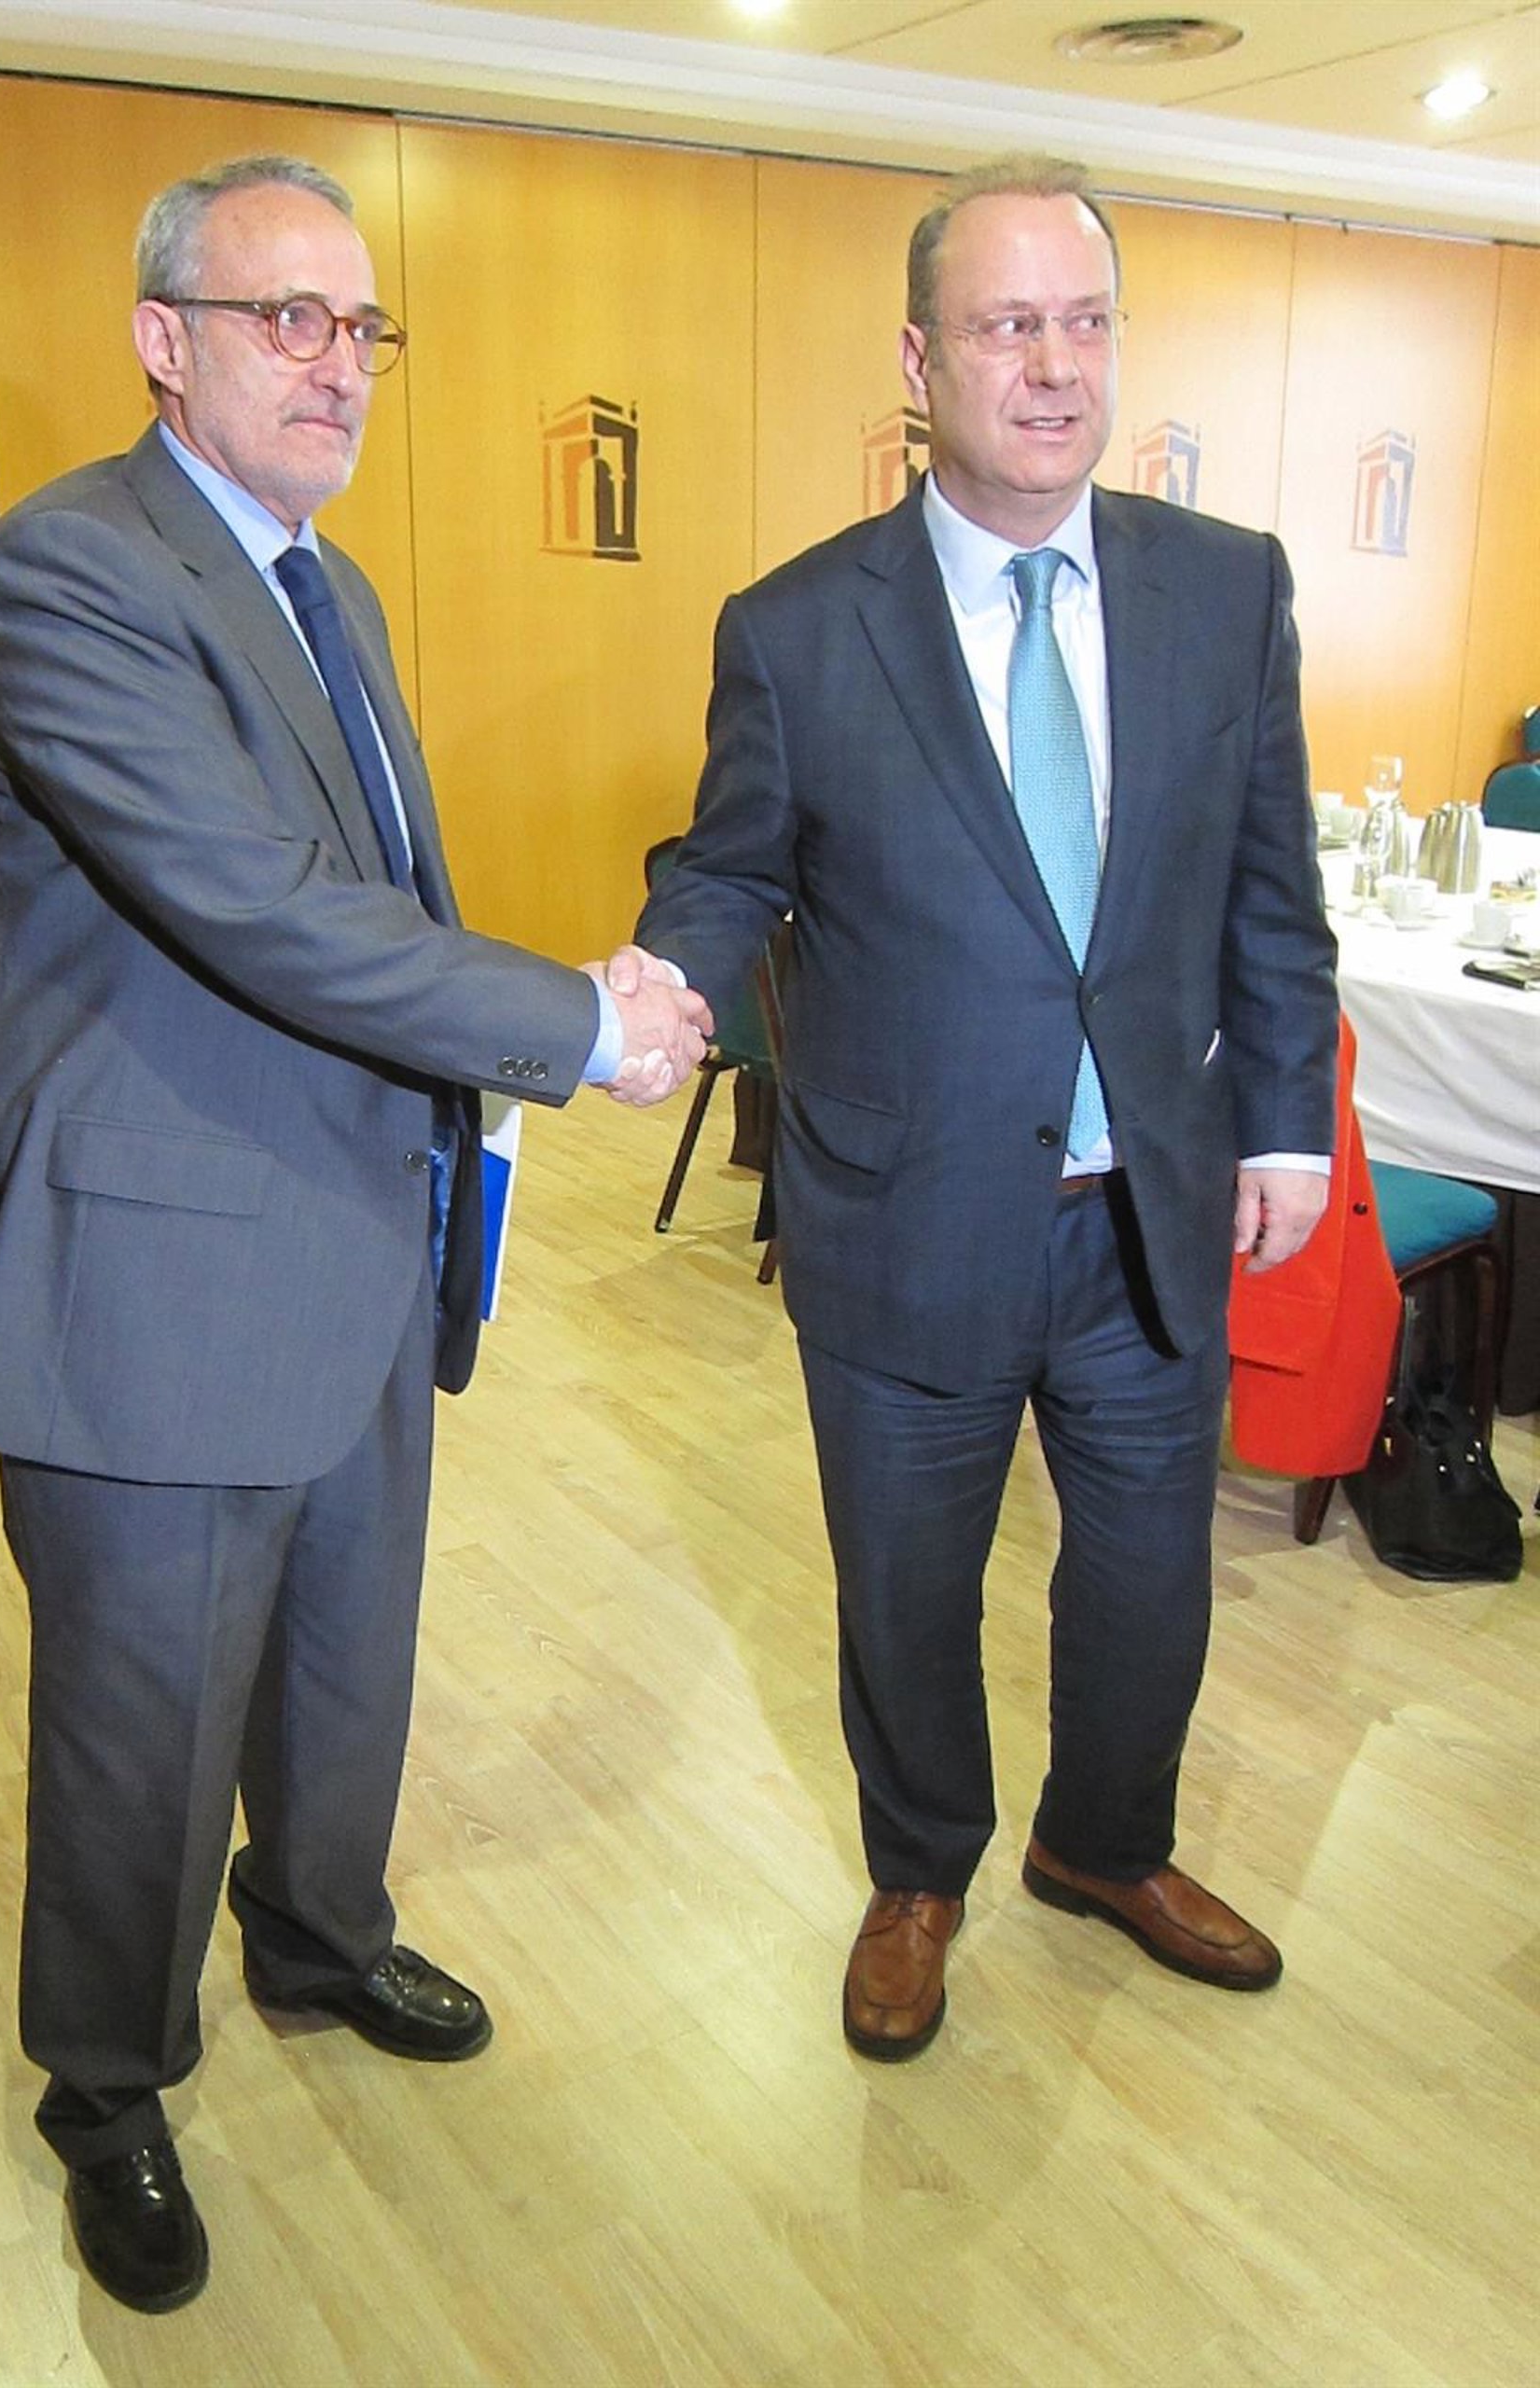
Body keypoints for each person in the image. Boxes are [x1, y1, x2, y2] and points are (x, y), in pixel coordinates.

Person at [0, 153, 710, 2312]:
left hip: (362, 1222)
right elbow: (256, 903)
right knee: (143, 1721)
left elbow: (367, 902)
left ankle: (315, 1928)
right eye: (283, 315)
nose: (336, 361)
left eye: (361, 324)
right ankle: (108, 2080)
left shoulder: (327, 583)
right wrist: (578, 1018)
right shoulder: (71, 568)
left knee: (346, 1656)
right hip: (167, 1265)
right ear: (160, 340)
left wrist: (507, 1044)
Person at [633, 155, 1336, 2061]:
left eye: (1084, 321)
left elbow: (1271, 886)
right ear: (920, 358)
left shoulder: (1228, 589)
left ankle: (1106, 1843)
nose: (1052, 364)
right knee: (907, 1591)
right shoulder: (796, 626)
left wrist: (1286, 1121)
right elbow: (731, 866)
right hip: (906, 1209)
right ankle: (920, 1870)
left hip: (1147, 1212)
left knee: (1149, 1582)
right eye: (1007, 323)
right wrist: (665, 978)